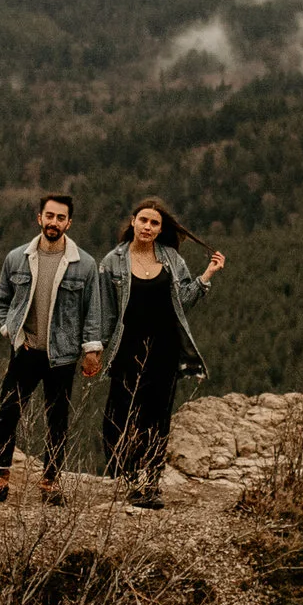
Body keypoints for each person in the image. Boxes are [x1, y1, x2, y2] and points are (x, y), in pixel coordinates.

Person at [91, 196, 225, 510]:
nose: (148, 227)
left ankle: (150, 483)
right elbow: (106, 312)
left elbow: (184, 302)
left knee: (156, 418)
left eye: (155, 223)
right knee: (116, 418)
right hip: (128, 348)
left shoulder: (171, 260)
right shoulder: (112, 261)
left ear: (160, 229)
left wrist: (207, 274)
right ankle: (126, 476)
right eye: (144, 221)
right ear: (133, 222)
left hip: (164, 349)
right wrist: (94, 349)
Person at [0, 192, 105, 505]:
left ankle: (50, 482)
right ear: (39, 218)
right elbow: (2, 301)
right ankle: (0, 478)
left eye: (60, 218)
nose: (54, 222)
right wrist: (10, 330)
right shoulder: (17, 258)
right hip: (26, 350)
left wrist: (91, 350)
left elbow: (93, 311)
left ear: (69, 223)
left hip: (62, 355)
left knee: (57, 418)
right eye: (49, 216)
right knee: (8, 412)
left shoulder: (83, 265)